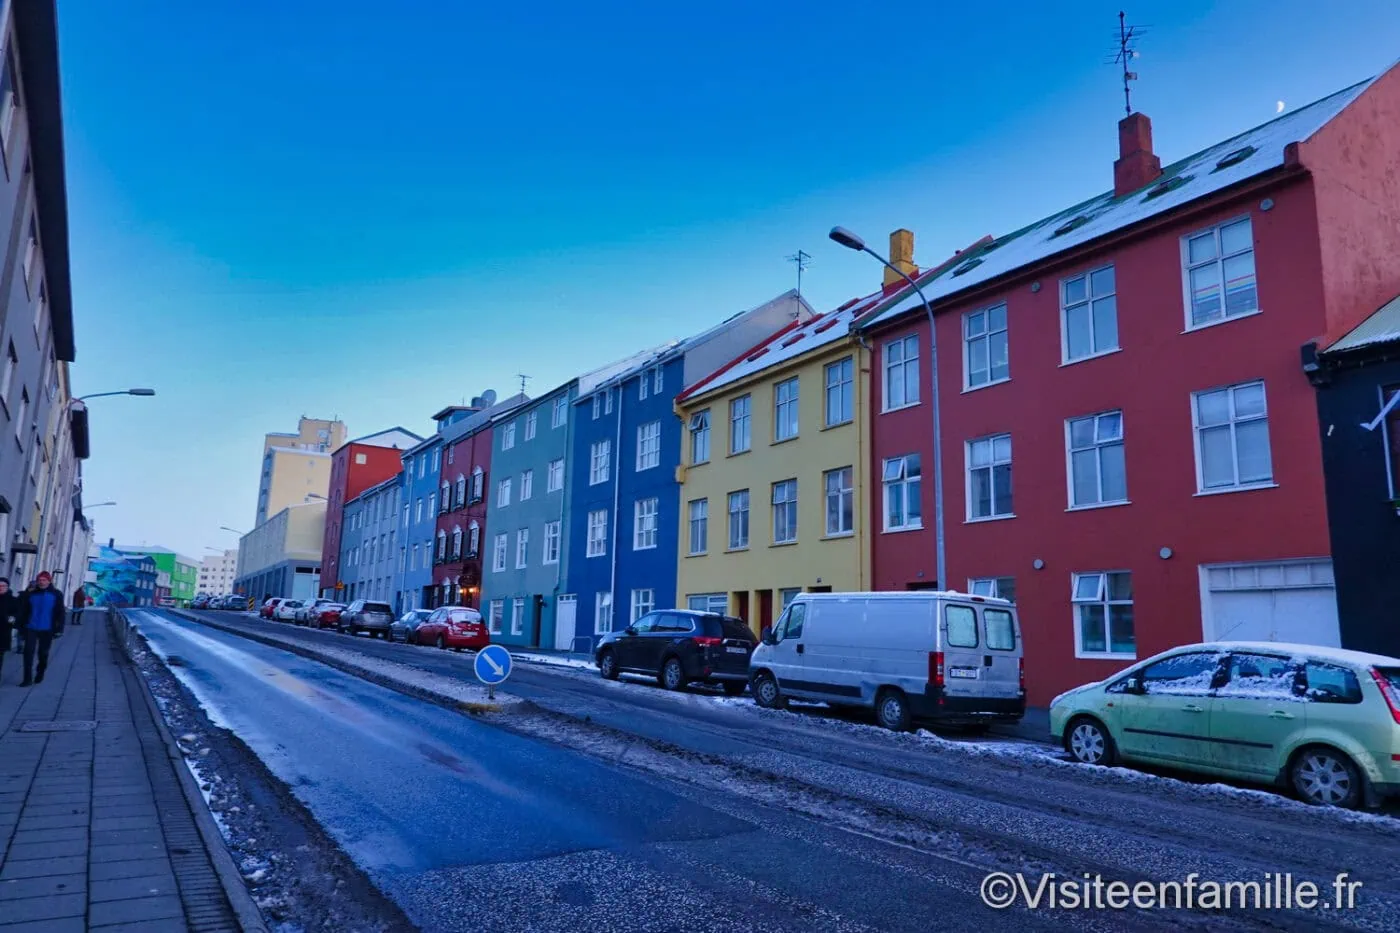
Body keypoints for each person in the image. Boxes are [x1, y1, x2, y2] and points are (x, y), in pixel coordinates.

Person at [18, 571, 65, 686]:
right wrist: (21, 627)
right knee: (28, 652)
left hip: (47, 628)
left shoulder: (56, 594)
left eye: (44, 580)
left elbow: (61, 612)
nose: (41, 582)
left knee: (43, 653)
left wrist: (59, 629)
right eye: (40, 580)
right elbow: (23, 609)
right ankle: (27, 679)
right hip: (31, 627)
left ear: (49, 581)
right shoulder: (31, 594)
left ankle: (40, 671)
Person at [0, 577, 20, 684]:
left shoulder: (13, 600)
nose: (1, 588)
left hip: (3, 631)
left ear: (7, 587)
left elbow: (17, 613)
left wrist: (12, 618)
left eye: (3, 586)